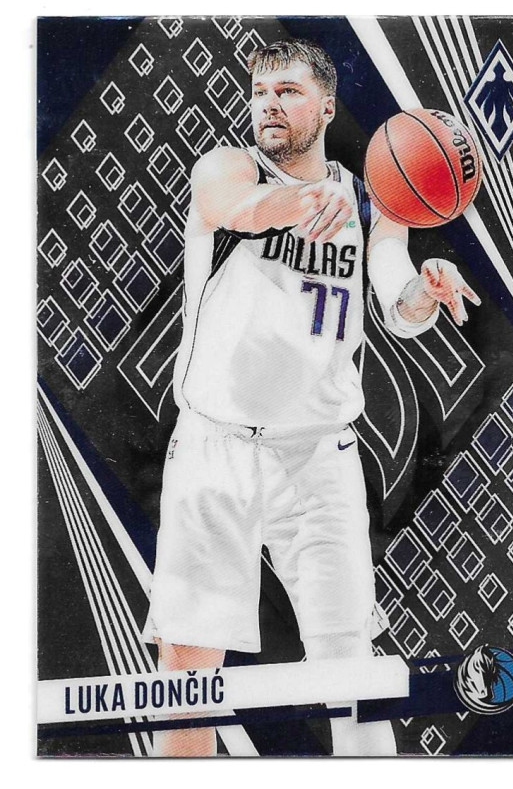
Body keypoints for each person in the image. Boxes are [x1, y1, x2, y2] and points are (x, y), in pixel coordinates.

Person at [143, 38, 480, 757]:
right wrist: (299, 200)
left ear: (326, 105)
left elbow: (396, 297)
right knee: (187, 670)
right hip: (215, 449)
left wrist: (426, 288)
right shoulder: (227, 168)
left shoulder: (371, 198)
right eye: (260, 92)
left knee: (350, 667)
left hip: (319, 460)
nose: (269, 104)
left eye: (288, 92)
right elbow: (238, 208)